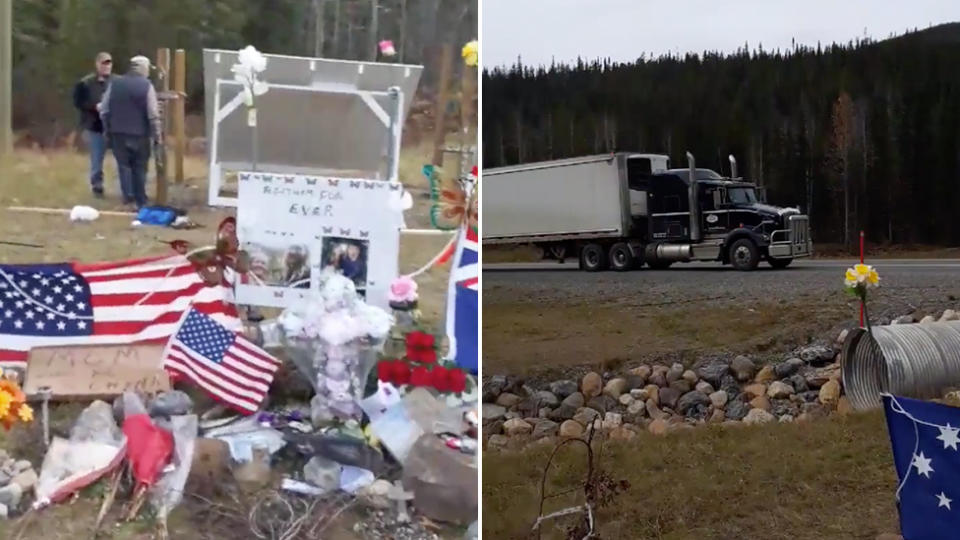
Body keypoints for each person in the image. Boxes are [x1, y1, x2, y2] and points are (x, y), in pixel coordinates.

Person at [100, 55, 161, 208]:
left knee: (124, 166)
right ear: (143, 68)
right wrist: (157, 136)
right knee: (140, 167)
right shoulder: (147, 86)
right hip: (140, 134)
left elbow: (104, 109)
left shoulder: (115, 83)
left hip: (118, 133)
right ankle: (141, 199)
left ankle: (128, 197)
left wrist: (108, 129)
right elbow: (153, 113)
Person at [71, 52, 114, 198]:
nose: (106, 66)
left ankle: (125, 188)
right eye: (104, 63)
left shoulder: (117, 82)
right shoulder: (85, 83)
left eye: (109, 63)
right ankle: (97, 186)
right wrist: (94, 106)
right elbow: (78, 102)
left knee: (123, 160)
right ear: (97, 64)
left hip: (115, 126)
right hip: (95, 125)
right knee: (97, 158)